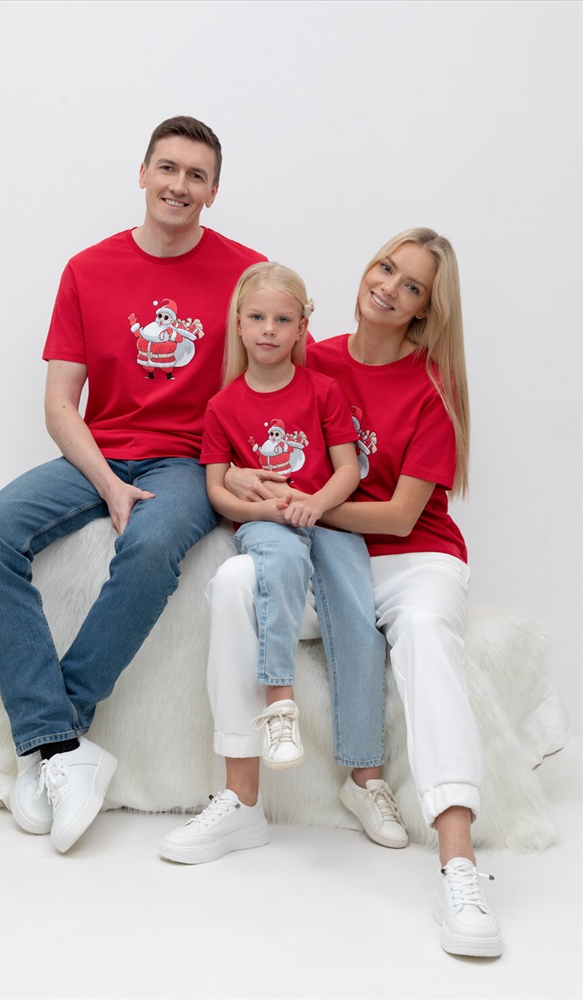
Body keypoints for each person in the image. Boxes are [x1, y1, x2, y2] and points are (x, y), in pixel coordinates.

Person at [162, 228, 503, 959]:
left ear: (425, 309)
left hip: (413, 560)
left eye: (411, 287)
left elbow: (399, 516)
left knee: (425, 634)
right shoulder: (309, 358)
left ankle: (458, 863)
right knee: (235, 581)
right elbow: (244, 438)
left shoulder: (432, 389)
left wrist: (300, 502)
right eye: (386, 267)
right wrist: (244, 482)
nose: (388, 287)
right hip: (322, 555)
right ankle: (240, 800)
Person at [0, 115, 265, 854]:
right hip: (97, 452)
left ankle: (53, 733)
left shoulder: (246, 274)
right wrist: (107, 482)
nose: (179, 185)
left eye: (196, 175)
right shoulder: (87, 269)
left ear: (213, 191)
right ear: (143, 174)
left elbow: (278, 373)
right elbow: (60, 405)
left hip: (189, 460)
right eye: (168, 168)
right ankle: (62, 748)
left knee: (152, 546)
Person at [159, 261, 408, 863]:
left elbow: (347, 469)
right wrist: (264, 512)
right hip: (270, 524)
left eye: (282, 319)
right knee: (274, 569)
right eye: (257, 318)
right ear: (238, 325)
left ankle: (366, 779)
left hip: (326, 522)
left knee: (359, 620)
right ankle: (279, 705)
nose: (268, 329)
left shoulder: (323, 390)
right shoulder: (222, 405)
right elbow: (216, 489)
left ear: (301, 328)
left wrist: (316, 505)